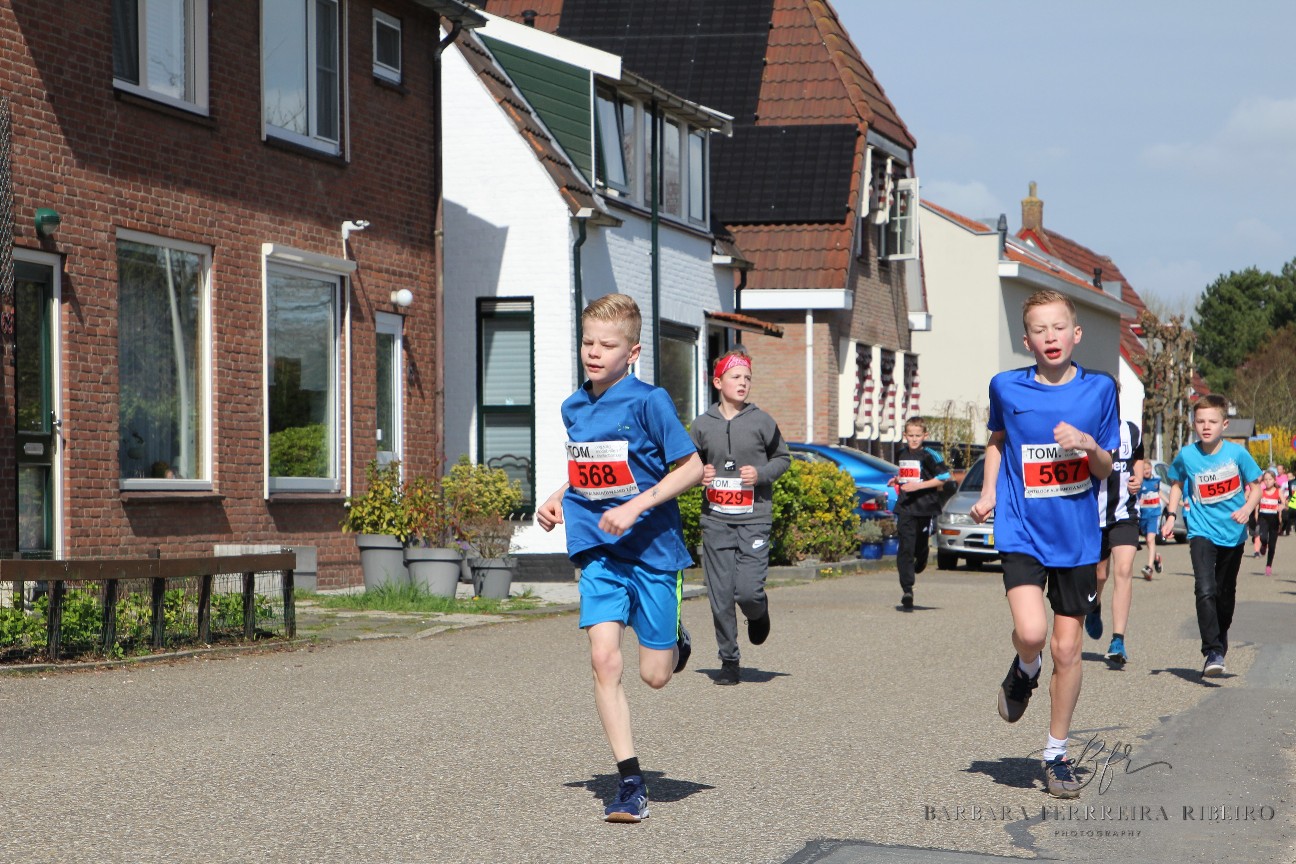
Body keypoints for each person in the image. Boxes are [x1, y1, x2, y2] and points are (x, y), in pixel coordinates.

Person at [535, 294, 704, 823]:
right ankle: (630, 783)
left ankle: (674, 638)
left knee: (655, 675)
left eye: (607, 345)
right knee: (604, 659)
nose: (594, 352)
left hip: (652, 550)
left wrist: (635, 506)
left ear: (632, 352)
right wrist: (560, 495)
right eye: (588, 341)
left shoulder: (650, 401)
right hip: (599, 551)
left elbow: (692, 468)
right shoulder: (574, 406)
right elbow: (591, 468)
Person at [969, 289, 1117, 799]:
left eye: (1058, 328)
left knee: (1068, 648)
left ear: (1076, 334)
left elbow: (1105, 466)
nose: (1050, 337)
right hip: (1022, 528)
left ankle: (1056, 755)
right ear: (1026, 340)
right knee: (1032, 634)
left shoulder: (1100, 389)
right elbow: (998, 440)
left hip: (1076, 536)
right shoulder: (1005, 386)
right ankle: (1025, 666)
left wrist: (1088, 444)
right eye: (1039, 329)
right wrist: (989, 492)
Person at [689, 348, 790, 685]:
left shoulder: (762, 421)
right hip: (716, 521)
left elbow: (783, 459)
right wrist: (699, 473)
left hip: (754, 519)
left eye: (747, 377)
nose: (743, 382)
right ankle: (729, 660)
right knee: (720, 596)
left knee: (747, 592)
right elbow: (688, 464)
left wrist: (760, 474)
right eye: (736, 377)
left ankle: (758, 612)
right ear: (718, 382)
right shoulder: (702, 424)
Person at [1161, 393, 1262, 678]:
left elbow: (1256, 486)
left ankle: (1221, 631)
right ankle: (1213, 651)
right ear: (1194, 424)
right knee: (1205, 589)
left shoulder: (1237, 454)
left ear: (1224, 424)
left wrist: (1247, 509)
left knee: (1224, 594)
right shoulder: (1187, 455)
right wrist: (1171, 516)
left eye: (1212, 421)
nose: (1206, 426)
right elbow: (1176, 483)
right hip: (1201, 531)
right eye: (1200, 421)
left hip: (1233, 532)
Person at [1086, 419, 1143, 666]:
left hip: (1124, 514)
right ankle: (1094, 606)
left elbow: (1138, 457)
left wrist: (1138, 479)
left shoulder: (1131, 430)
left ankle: (1118, 640)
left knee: (1124, 569)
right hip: (1093, 515)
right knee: (1100, 574)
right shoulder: (1086, 427)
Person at [890, 417, 951, 609]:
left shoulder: (930, 455)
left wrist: (919, 486)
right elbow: (906, 476)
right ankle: (907, 589)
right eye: (911, 435)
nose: (914, 439)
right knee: (905, 547)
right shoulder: (900, 453)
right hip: (905, 506)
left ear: (925, 435)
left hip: (925, 507)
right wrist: (897, 480)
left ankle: (921, 560)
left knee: (920, 546)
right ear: (905, 435)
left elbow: (944, 477)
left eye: (918, 435)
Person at [1255, 470, 1286, 576]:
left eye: (1270, 479)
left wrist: (1282, 506)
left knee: (1272, 545)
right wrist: (1256, 514)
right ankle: (1264, 545)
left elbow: (1284, 503)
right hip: (1263, 518)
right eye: (1266, 479)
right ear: (1263, 481)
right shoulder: (1261, 491)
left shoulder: (1278, 491)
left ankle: (1269, 565)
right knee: (1263, 537)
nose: (1268, 481)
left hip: (1274, 519)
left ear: (1274, 480)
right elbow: (1257, 504)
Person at [1136, 462, 1163, 580]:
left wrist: (1169, 503)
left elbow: (1159, 492)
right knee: (1148, 542)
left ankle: (1149, 568)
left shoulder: (1156, 481)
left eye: (1148, 468)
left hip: (1154, 515)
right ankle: (1156, 558)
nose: (1146, 471)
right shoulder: (1139, 483)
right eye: (1144, 469)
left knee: (1150, 539)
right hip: (1143, 516)